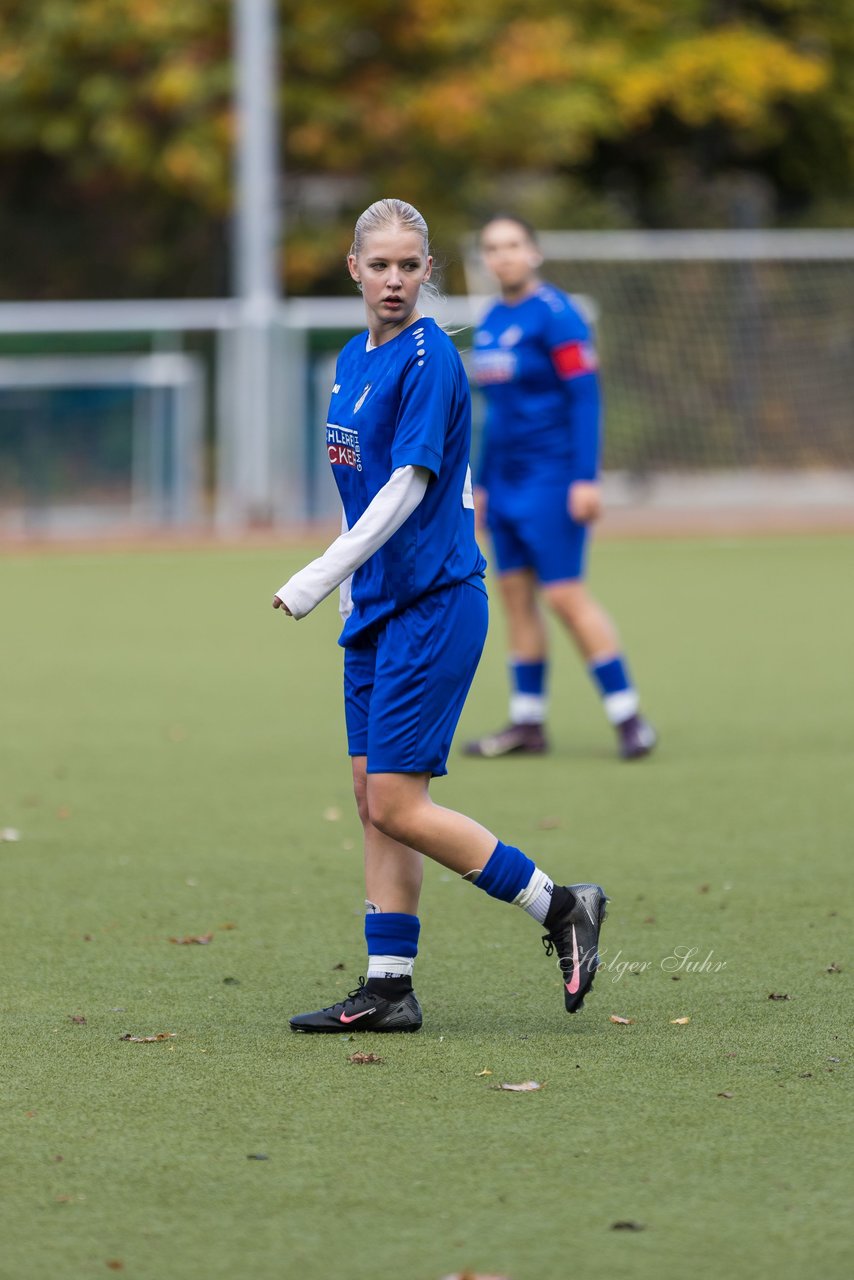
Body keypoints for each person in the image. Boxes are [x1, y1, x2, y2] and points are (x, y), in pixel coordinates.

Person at [273, 198, 607, 1033]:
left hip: (433, 603)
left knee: (397, 803)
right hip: (376, 607)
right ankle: (389, 987)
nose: (393, 279)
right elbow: (356, 493)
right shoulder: (351, 358)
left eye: (409, 265)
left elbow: (407, 486)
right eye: (379, 264)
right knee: (370, 797)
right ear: (354, 268)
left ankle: (563, 906)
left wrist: (316, 577)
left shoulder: (431, 358)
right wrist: (349, 591)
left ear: (427, 271)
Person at [462, 215, 657, 761]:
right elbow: (495, 415)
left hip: (551, 477)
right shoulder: (491, 319)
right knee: (514, 596)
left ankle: (629, 717)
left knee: (565, 595)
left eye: (513, 245)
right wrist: (482, 485)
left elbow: (585, 397)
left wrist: (585, 478)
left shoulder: (557, 314)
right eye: (492, 247)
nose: (503, 255)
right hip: (505, 481)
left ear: (535, 252)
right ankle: (528, 723)